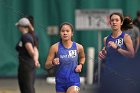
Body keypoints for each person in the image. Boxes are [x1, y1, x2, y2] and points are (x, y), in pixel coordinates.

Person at [99, 12, 134, 93]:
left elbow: (131, 54)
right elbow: (107, 54)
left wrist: (117, 48)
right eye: (112, 20)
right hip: (109, 74)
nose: (114, 22)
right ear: (110, 23)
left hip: (123, 74)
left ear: (121, 22)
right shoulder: (106, 39)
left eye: (117, 20)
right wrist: (103, 54)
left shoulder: (126, 37)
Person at [45, 22, 85, 93]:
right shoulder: (54, 47)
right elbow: (47, 65)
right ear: (60, 33)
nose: (65, 33)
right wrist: (53, 62)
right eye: (63, 31)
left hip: (74, 81)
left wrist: (80, 65)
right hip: (60, 82)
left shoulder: (78, 47)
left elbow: (82, 57)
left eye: (67, 31)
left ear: (72, 33)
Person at [16, 17, 40, 93]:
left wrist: (35, 60)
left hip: (26, 66)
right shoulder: (29, 35)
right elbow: (35, 49)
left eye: (19, 26)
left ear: (22, 27)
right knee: (26, 87)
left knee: (27, 88)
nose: (18, 28)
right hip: (27, 65)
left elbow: (32, 51)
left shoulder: (26, 37)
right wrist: (36, 60)